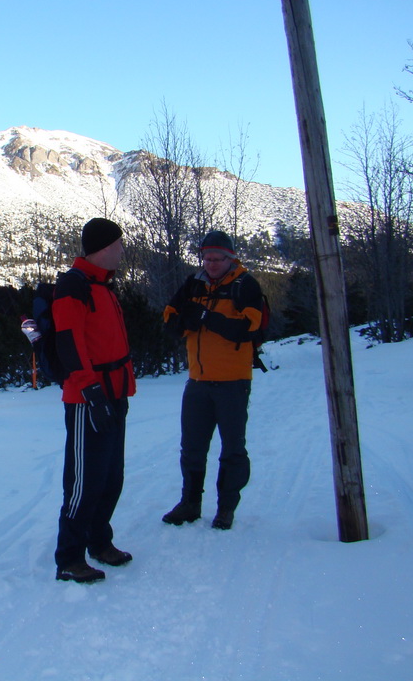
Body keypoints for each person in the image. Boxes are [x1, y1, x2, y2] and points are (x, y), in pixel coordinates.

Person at [161, 231, 264, 530]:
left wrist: (206, 317)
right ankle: (190, 503)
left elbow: (248, 328)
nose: (212, 264)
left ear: (231, 258)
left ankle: (226, 509)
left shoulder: (245, 285)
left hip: (233, 382)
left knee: (232, 449)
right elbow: (169, 316)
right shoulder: (194, 283)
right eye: (207, 258)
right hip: (198, 381)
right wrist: (183, 323)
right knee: (191, 448)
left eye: (218, 259)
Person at [52, 217, 136, 583]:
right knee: (84, 481)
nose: (122, 250)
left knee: (110, 478)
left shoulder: (102, 286)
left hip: (114, 394)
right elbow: (69, 343)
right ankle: (69, 558)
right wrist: (91, 392)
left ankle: (99, 542)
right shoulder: (74, 286)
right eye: (118, 244)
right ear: (102, 248)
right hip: (90, 399)